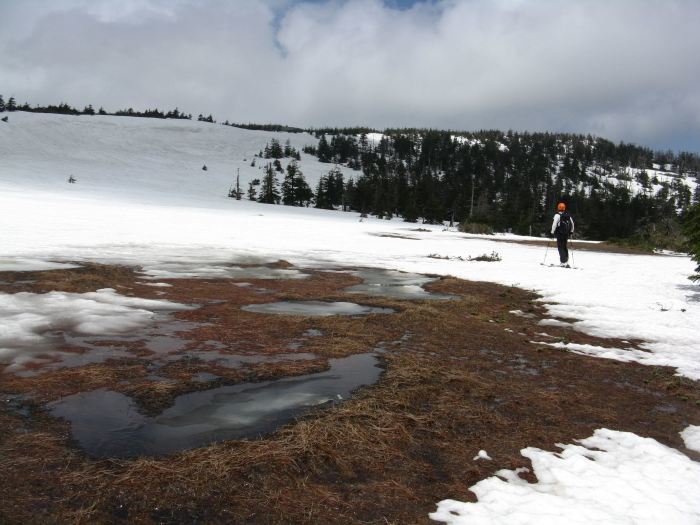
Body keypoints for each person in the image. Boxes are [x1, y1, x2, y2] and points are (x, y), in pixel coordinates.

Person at [550, 202, 574, 267]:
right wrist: (571, 232)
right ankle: (566, 261)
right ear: (564, 208)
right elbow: (572, 224)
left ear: (558, 208)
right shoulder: (568, 215)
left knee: (560, 247)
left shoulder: (557, 215)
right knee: (564, 247)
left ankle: (563, 262)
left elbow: (554, 224)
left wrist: (552, 233)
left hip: (559, 234)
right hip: (566, 234)